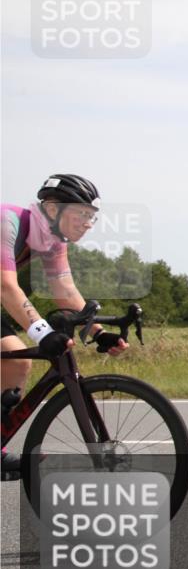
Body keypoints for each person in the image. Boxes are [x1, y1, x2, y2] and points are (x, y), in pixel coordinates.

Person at [1, 175, 129, 478]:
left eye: (91, 216)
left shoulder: (52, 240)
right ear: (52, 208)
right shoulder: (7, 222)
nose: (87, 223)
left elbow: (65, 292)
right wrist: (42, 333)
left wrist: (98, 332)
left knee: (16, 362)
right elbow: (6, 287)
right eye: (81, 213)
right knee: (17, 354)